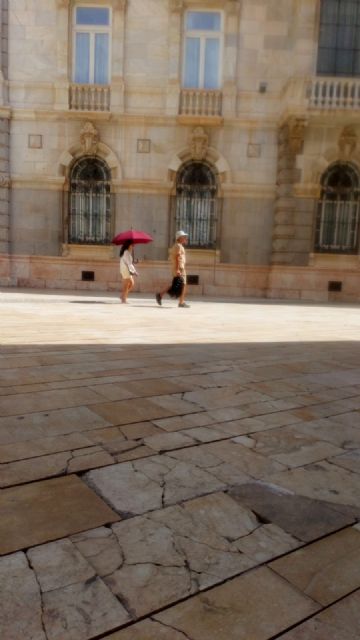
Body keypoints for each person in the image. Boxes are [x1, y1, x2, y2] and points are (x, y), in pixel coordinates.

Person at [156, 230, 190, 308]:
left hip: (179, 268)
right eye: (184, 237)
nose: (185, 238)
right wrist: (178, 269)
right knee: (183, 284)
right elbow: (178, 258)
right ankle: (181, 302)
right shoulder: (178, 246)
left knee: (177, 284)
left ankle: (160, 295)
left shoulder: (179, 246)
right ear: (180, 238)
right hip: (179, 268)